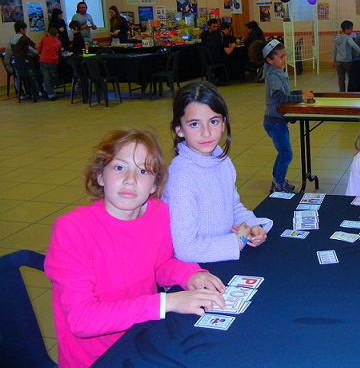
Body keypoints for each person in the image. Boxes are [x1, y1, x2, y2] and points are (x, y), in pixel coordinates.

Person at [44, 129, 226, 368]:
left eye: (143, 171)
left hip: (142, 337)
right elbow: (82, 320)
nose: (130, 180)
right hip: (97, 359)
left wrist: (190, 274)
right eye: (119, 167)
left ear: (154, 184)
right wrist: (166, 303)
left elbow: (160, 264)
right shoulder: (72, 229)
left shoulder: (157, 212)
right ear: (100, 176)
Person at [164, 82, 273, 263]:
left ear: (223, 123)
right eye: (194, 124)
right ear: (179, 129)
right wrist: (239, 241)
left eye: (213, 121)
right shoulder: (181, 177)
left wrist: (253, 225)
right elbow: (185, 248)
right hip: (196, 268)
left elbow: (233, 207)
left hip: (221, 256)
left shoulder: (222, 162)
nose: (206, 133)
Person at [259, 38, 314, 193]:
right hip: (274, 122)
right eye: (281, 57)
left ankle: (277, 181)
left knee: (283, 153)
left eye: (285, 56)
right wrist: (301, 97)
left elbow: (287, 93)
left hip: (279, 121)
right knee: (286, 154)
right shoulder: (273, 75)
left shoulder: (278, 72)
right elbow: (280, 97)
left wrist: (301, 93)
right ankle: (279, 185)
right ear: (270, 60)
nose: (284, 60)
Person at [332, 20, 360, 92]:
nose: (352, 31)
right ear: (346, 29)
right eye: (351, 29)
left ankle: (342, 92)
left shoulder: (337, 37)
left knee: (341, 78)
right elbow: (353, 45)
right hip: (347, 60)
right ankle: (352, 92)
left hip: (338, 61)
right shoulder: (348, 37)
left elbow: (334, 50)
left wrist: (334, 60)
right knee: (351, 77)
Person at [37, 25, 63, 100]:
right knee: (55, 77)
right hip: (53, 61)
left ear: (48, 33)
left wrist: (42, 53)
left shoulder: (44, 39)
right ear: (57, 34)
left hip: (43, 60)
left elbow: (39, 49)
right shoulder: (58, 42)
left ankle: (49, 92)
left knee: (46, 77)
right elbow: (60, 53)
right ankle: (49, 90)